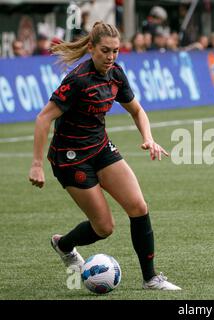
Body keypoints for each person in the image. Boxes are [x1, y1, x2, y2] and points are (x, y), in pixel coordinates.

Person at [28, 21, 181, 290]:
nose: (111, 57)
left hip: (100, 148)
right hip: (70, 158)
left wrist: (148, 138)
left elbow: (137, 110)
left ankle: (151, 278)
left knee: (139, 207)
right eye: (105, 51)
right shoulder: (77, 79)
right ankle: (63, 244)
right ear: (91, 48)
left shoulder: (116, 74)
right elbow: (43, 119)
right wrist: (37, 164)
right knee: (104, 228)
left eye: (116, 51)